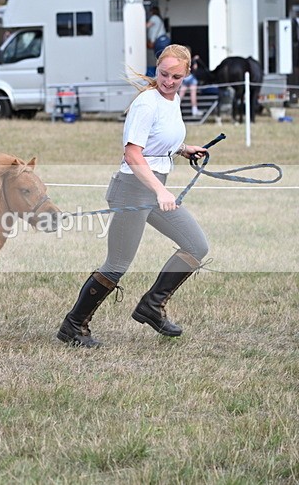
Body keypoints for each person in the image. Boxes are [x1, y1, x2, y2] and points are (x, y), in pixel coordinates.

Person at [57, 44, 210, 348]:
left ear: (186, 75)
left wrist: (183, 149)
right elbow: (132, 154)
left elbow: (157, 139)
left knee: (196, 246)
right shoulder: (146, 104)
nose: (168, 81)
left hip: (152, 189)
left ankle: (151, 305)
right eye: (163, 74)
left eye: (176, 77)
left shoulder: (173, 100)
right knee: (117, 263)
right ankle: (73, 325)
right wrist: (160, 190)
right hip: (133, 189)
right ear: (157, 68)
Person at [146, 6, 168, 77]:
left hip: (160, 41)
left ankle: (161, 74)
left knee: (160, 59)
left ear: (152, 11)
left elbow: (147, 25)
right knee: (161, 58)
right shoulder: (159, 18)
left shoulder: (154, 17)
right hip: (163, 40)